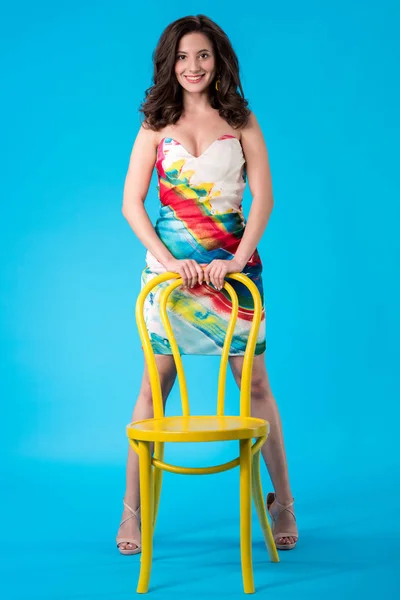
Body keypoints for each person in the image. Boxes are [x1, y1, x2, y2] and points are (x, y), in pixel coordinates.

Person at [116, 14, 298, 555]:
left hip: (234, 280)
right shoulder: (155, 124)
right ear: (169, 64)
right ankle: (132, 511)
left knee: (257, 386)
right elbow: (131, 205)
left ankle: (284, 501)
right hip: (171, 282)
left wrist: (237, 262)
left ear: (218, 60)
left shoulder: (241, 119)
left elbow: (262, 199)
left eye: (202, 55)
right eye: (181, 58)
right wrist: (170, 263)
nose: (192, 67)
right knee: (154, 389)